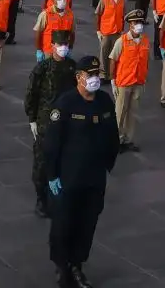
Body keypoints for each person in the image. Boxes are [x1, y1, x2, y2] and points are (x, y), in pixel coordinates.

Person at [44, 54, 120, 288]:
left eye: (97, 74)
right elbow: (52, 143)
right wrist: (52, 175)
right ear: (79, 77)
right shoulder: (65, 104)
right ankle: (61, 265)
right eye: (90, 75)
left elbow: (113, 136)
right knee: (63, 224)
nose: (95, 79)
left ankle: (77, 265)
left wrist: (107, 164)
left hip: (94, 177)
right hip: (69, 177)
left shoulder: (105, 101)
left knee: (87, 224)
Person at [27, 29, 79, 217]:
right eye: (60, 45)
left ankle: (59, 198)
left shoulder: (73, 67)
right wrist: (32, 118)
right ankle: (42, 200)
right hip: (45, 121)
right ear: (52, 46)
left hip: (67, 121)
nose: (63, 48)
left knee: (65, 161)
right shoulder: (42, 68)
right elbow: (31, 94)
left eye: (66, 45)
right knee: (42, 162)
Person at [108, 9, 150, 152]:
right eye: (136, 23)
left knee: (132, 112)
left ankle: (128, 139)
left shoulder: (145, 40)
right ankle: (116, 140)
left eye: (140, 22)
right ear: (130, 25)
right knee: (120, 113)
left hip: (138, 82)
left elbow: (145, 61)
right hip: (124, 82)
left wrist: (144, 78)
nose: (139, 25)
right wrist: (113, 79)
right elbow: (113, 60)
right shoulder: (122, 41)